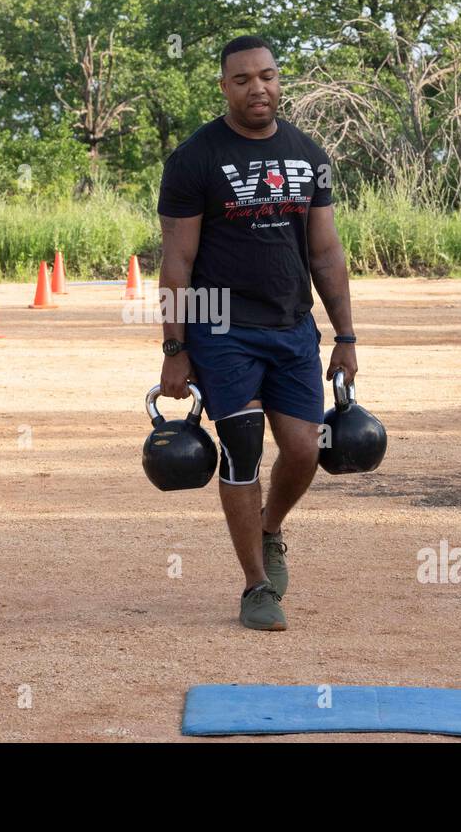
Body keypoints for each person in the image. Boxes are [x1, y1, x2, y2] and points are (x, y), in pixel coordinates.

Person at [157, 35, 357, 631]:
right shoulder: (194, 158)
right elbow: (176, 263)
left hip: (293, 325)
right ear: (224, 87)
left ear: (278, 79)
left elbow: (325, 251)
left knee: (304, 447)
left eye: (266, 76)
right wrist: (175, 347)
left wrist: (346, 336)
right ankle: (256, 586)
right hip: (221, 329)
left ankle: (270, 529)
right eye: (242, 79)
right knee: (242, 451)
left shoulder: (308, 153)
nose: (257, 88)